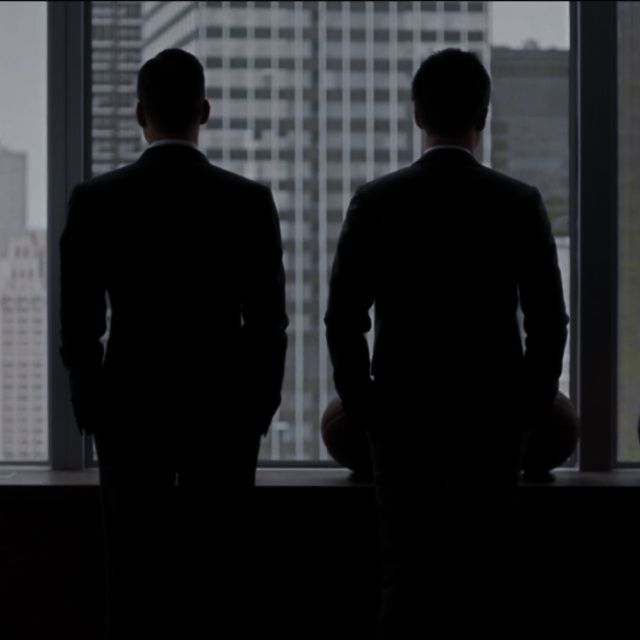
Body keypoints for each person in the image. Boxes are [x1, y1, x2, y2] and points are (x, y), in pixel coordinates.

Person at [325, 48, 568, 637]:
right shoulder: (518, 202)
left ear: (416, 115)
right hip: (490, 421)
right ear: (483, 115)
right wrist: (526, 413)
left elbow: (343, 319)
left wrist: (368, 410)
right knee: (487, 583)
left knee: (404, 582)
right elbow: (548, 322)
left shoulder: (376, 201)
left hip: (403, 419)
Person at [60, 49, 288, 639]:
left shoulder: (97, 200)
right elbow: (268, 324)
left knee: (134, 590)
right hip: (223, 418)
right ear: (204, 111)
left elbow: (79, 325)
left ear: (140, 113)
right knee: (219, 588)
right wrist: (256, 412)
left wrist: (93, 410)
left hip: (129, 415)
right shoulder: (247, 201)